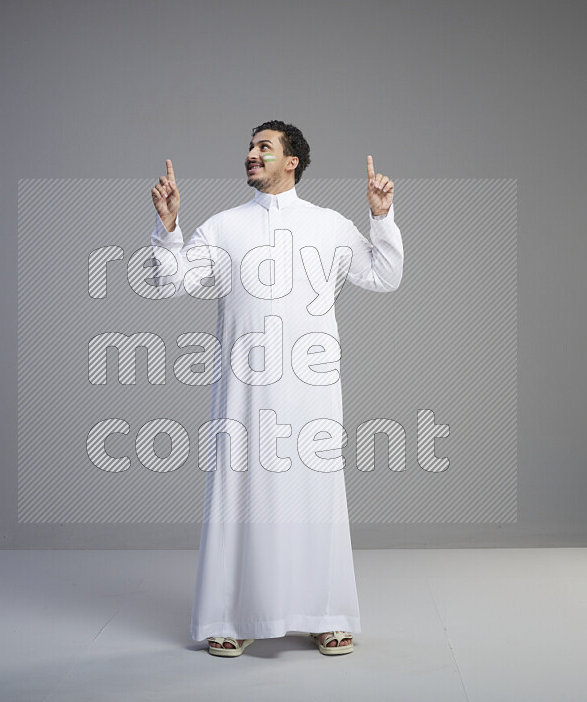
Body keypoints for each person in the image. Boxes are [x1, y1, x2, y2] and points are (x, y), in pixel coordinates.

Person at [149, 120, 404, 656]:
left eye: (263, 147)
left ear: (292, 161)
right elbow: (173, 281)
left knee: (314, 497)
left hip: (311, 390)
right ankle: (233, 615)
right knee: (242, 497)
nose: (250, 154)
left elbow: (384, 275)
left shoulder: (330, 226)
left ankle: (325, 613)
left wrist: (381, 217)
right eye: (249, 146)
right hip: (244, 391)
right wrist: (169, 227)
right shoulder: (223, 227)